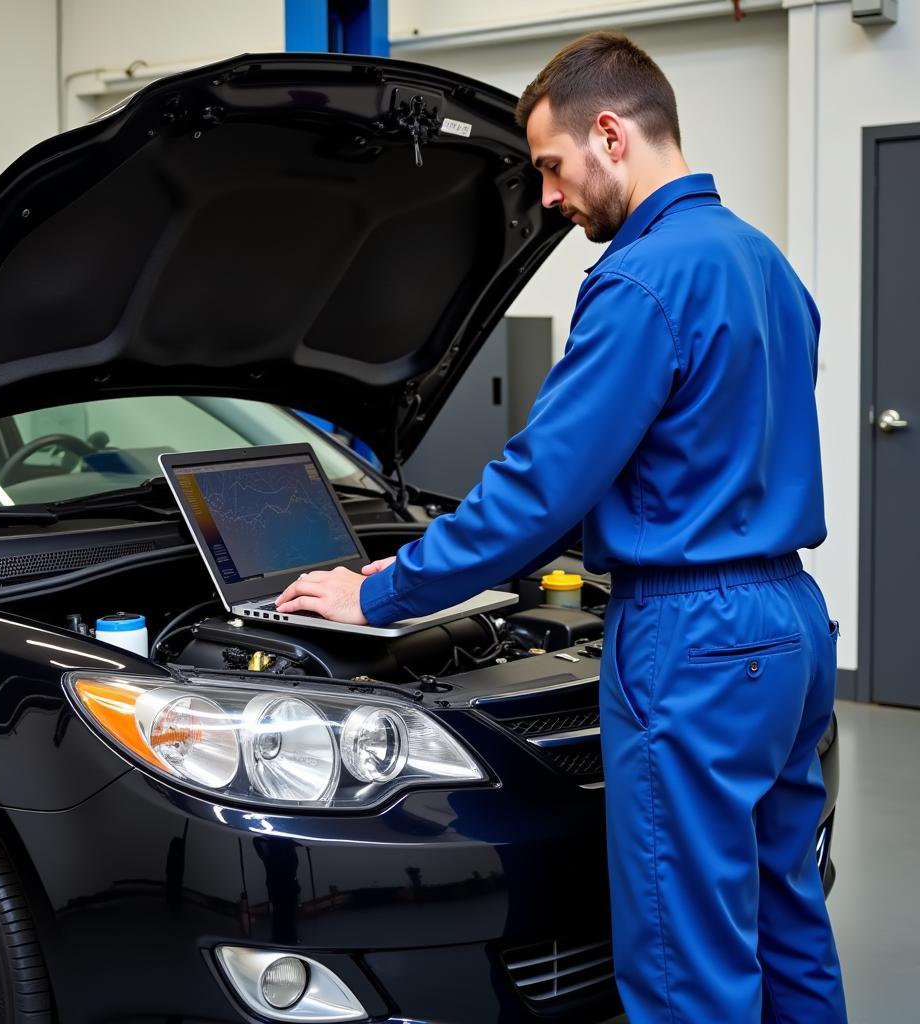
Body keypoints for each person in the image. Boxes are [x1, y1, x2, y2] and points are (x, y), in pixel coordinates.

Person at [276, 31, 848, 1024]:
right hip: (788, 625)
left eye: (549, 165)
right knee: (782, 914)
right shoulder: (761, 261)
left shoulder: (638, 280)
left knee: (684, 960)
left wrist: (377, 591)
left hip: (691, 637)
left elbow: (537, 495)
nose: (547, 196)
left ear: (611, 133)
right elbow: (715, 440)